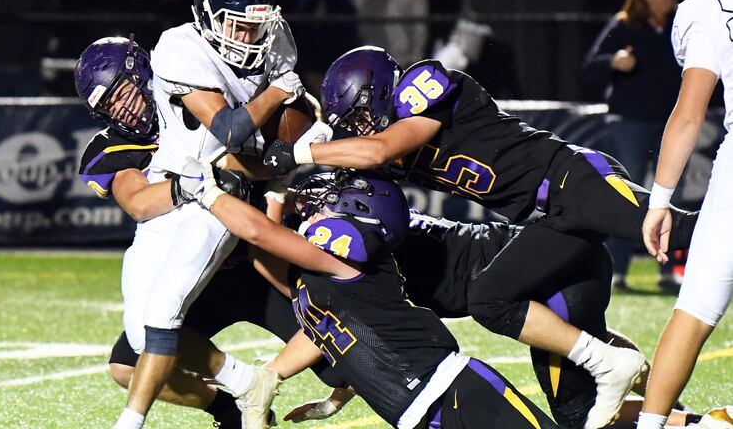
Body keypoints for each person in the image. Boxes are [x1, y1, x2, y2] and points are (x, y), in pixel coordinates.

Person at [263, 46, 700, 429]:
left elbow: (375, 150)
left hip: (571, 179)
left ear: (380, 90)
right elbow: (353, 153)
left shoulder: (421, 89)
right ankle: (645, 386)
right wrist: (304, 149)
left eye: (361, 114)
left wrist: (297, 153)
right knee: (560, 394)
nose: (361, 128)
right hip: (548, 219)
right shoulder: (378, 153)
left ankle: (612, 364)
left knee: (679, 231)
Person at [187, 167, 565, 429]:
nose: (317, 203)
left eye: (330, 200)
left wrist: (206, 191)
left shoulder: (354, 245)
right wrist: (318, 393)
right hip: (413, 413)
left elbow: (260, 236)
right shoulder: (321, 279)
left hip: (454, 391)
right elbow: (322, 322)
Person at [73, 34, 303, 427]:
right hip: (198, 268)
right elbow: (140, 203)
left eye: (122, 94)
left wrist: (229, 166)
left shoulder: (189, 91)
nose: (124, 110)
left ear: (141, 69)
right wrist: (192, 182)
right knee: (130, 361)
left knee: (340, 360)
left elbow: (256, 162)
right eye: (111, 106)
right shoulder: (112, 147)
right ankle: (230, 404)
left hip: (257, 259)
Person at [637, 0, 733, 428]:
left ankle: (650, 424)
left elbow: (689, 115)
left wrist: (660, 201)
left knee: (695, 309)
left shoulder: (710, 7)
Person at [582, 0, 682, 291]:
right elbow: (590, 67)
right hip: (630, 122)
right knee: (628, 195)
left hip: (670, 123)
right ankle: (617, 271)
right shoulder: (624, 25)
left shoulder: (680, 25)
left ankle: (669, 270)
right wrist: (614, 60)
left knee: (671, 195)